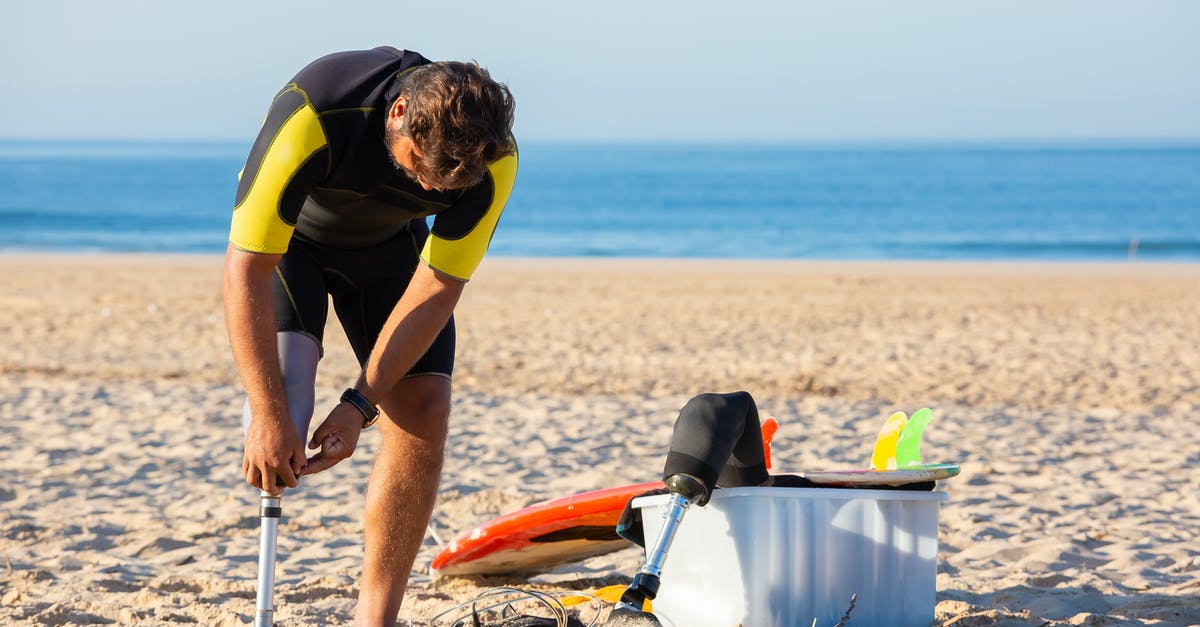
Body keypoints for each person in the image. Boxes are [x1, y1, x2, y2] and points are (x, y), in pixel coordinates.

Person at [222, 45, 517, 626]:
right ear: (399, 111)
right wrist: (266, 411)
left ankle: (374, 620)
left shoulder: (491, 158)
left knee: (424, 409)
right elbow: (245, 268)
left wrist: (360, 405)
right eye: (420, 170)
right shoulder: (316, 111)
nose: (434, 193)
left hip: (387, 257)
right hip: (290, 252)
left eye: (448, 186)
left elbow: (437, 285)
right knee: (287, 410)